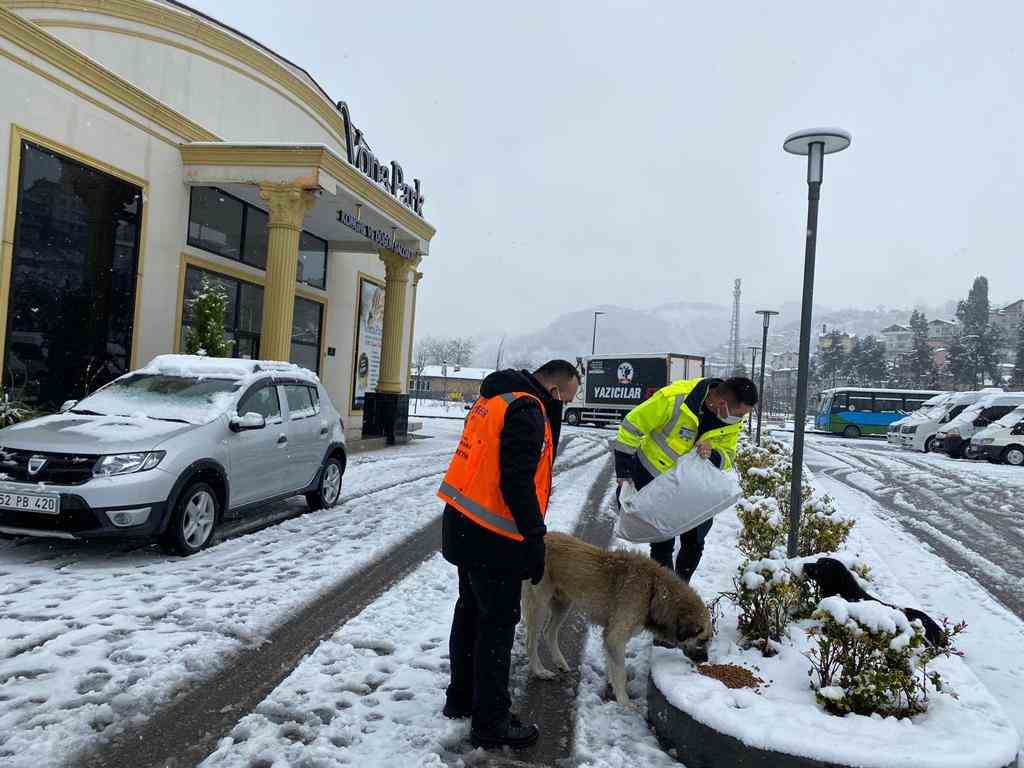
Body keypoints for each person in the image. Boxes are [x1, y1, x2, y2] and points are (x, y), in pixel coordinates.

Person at [439, 359, 581, 749]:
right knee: (497, 626)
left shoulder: (497, 397)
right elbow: (516, 480)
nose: (563, 409)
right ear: (554, 390)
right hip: (495, 535)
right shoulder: (528, 410)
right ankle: (491, 722)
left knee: (469, 611)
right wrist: (535, 538)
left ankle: (461, 698)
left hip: (463, 521)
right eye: (565, 400)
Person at [614, 376, 757, 582]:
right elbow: (631, 427)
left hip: (694, 488)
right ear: (722, 404)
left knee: (695, 540)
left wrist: (714, 454)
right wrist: (624, 472)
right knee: (662, 541)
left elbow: (729, 455)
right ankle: (666, 595)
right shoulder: (674, 399)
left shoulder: (731, 422)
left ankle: (682, 588)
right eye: (741, 413)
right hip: (656, 479)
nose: (741, 419)